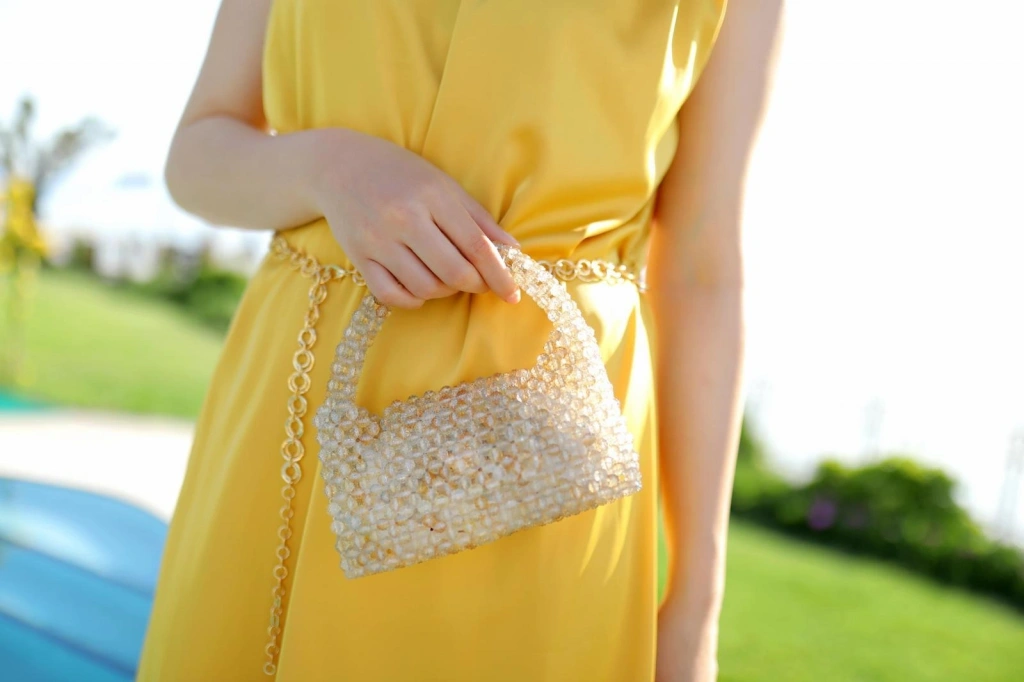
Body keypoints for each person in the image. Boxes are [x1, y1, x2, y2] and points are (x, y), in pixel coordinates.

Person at [137, 0, 783, 680]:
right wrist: (328, 168)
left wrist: (695, 609)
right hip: (287, 413)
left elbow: (702, 271)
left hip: (541, 467)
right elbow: (196, 155)